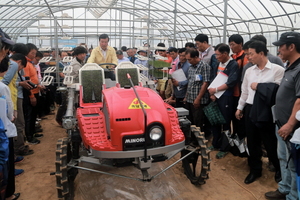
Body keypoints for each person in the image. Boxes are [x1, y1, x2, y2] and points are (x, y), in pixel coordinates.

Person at [235, 41, 284, 184]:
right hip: (250, 109)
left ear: (261, 53)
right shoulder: (249, 70)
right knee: (252, 141)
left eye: (251, 54)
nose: (248, 57)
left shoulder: (277, 70)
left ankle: (279, 169)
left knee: (270, 142)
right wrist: (240, 108)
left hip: (267, 111)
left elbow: (278, 93)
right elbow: (244, 91)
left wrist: (260, 87)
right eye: (247, 54)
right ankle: (255, 170)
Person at [265, 32, 300, 200]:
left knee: (293, 164)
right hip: (281, 123)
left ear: (291, 47)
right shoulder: (290, 66)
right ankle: (284, 188)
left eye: (281, 46)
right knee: (283, 158)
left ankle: (293, 196)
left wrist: (290, 124)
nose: (278, 49)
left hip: (291, 128)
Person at [208, 43, 239, 159]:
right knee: (214, 121)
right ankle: (215, 143)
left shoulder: (233, 65)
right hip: (215, 96)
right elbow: (214, 78)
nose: (216, 57)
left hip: (226, 97)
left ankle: (224, 147)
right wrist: (213, 93)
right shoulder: (217, 63)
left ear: (225, 54)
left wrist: (215, 90)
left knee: (225, 122)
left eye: (218, 55)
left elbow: (231, 82)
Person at [184, 48, 211, 132]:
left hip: (199, 100)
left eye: (190, 59)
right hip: (190, 99)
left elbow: (205, 83)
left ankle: (199, 141)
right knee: (190, 120)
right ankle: (192, 139)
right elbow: (190, 83)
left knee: (198, 121)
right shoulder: (191, 67)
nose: (188, 61)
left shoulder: (204, 66)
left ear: (196, 57)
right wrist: (186, 96)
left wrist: (198, 99)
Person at [228, 34, 249, 140]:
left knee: (240, 117)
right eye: (230, 45)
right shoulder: (233, 57)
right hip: (233, 92)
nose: (231, 47)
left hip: (241, 93)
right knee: (233, 117)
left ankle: (241, 138)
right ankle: (234, 135)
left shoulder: (245, 57)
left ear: (240, 44)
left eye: (233, 44)